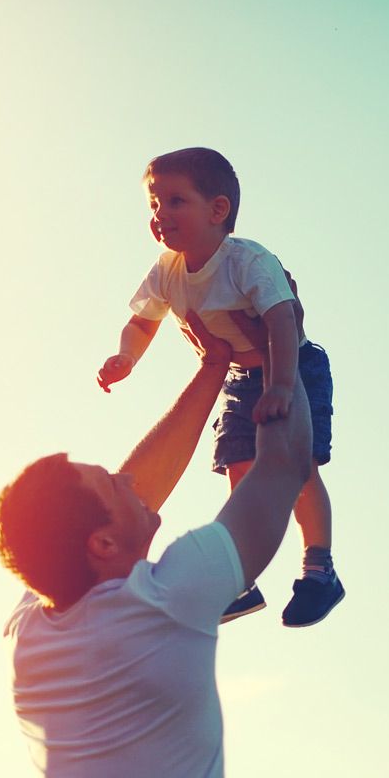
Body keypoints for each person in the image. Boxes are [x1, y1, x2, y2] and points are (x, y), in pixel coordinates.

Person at [0, 312, 311, 777]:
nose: (127, 479)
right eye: (112, 483)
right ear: (100, 544)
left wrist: (213, 369)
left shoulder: (30, 633)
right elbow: (284, 466)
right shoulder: (163, 601)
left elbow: (125, 502)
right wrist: (282, 349)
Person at [96, 146, 344, 627]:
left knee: (296, 467)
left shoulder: (246, 261)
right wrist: (126, 356)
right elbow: (143, 322)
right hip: (239, 377)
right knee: (240, 469)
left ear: (217, 210)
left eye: (174, 201)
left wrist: (282, 385)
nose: (160, 215)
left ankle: (320, 569)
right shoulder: (167, 271)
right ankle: (241, 578)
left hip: (293, 364)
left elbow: (282, 322)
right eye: (153, 204)